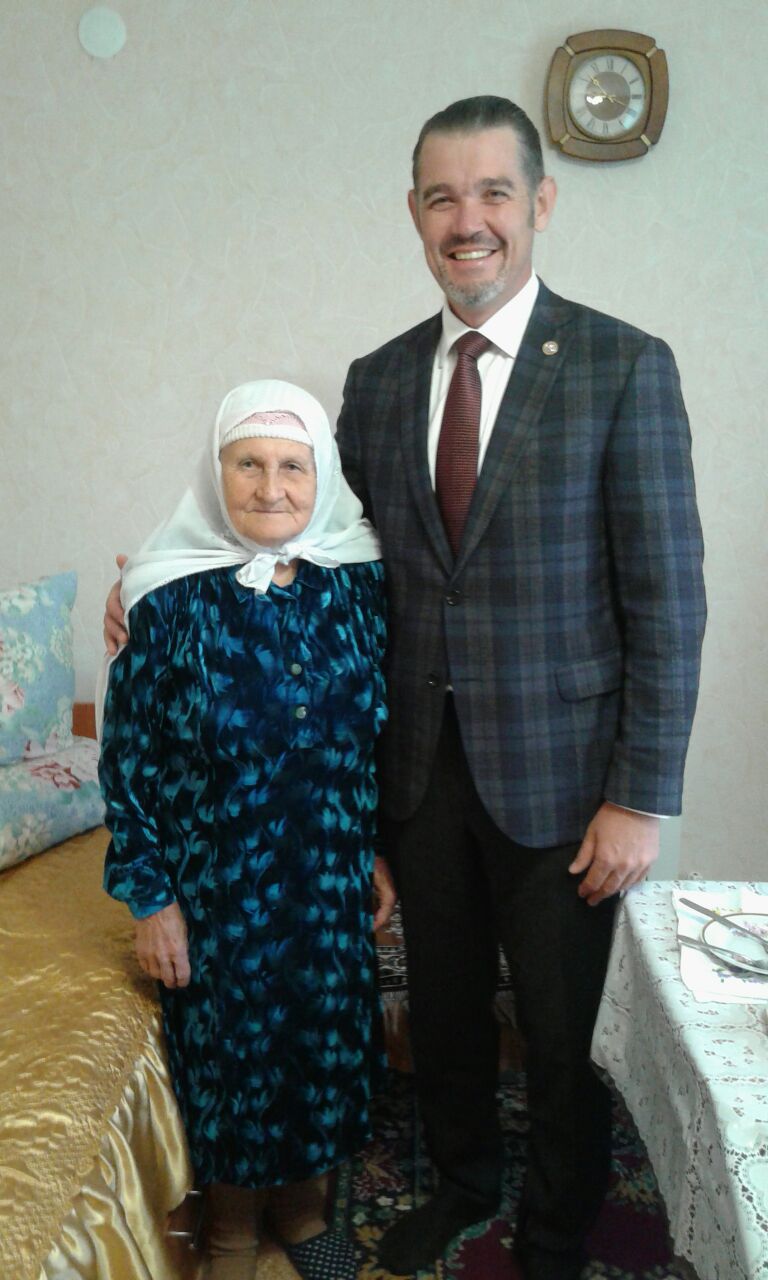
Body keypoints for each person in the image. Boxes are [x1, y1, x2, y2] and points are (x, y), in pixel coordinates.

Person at [105, 98, 707, 1280]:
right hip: (416, 775)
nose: (467, 218)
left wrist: (640, 796)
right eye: (442, 196)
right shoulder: (377, 381)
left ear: (540, 203)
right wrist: (157, 576)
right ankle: (462, 1182)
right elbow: (319, 536)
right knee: (442, 1009)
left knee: (561, 1026)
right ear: (416, 214)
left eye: (493, 192)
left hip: (563, 780)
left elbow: (668, 598)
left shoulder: (622, 364)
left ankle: (555, 1230)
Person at [98, 379, 395, 1280]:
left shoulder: (361, 582)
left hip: (329, 879)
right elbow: (127, 761)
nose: (272, 487)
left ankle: (303, 1216)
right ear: (215, 471)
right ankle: (229, 1231)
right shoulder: (166, 599)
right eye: (249, 464)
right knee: (235, 1061)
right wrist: (151, 900)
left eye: (292, 466)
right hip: (218, 888)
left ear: (322, 475)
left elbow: (382, 733)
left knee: (323, 1047)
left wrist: (377, 851)